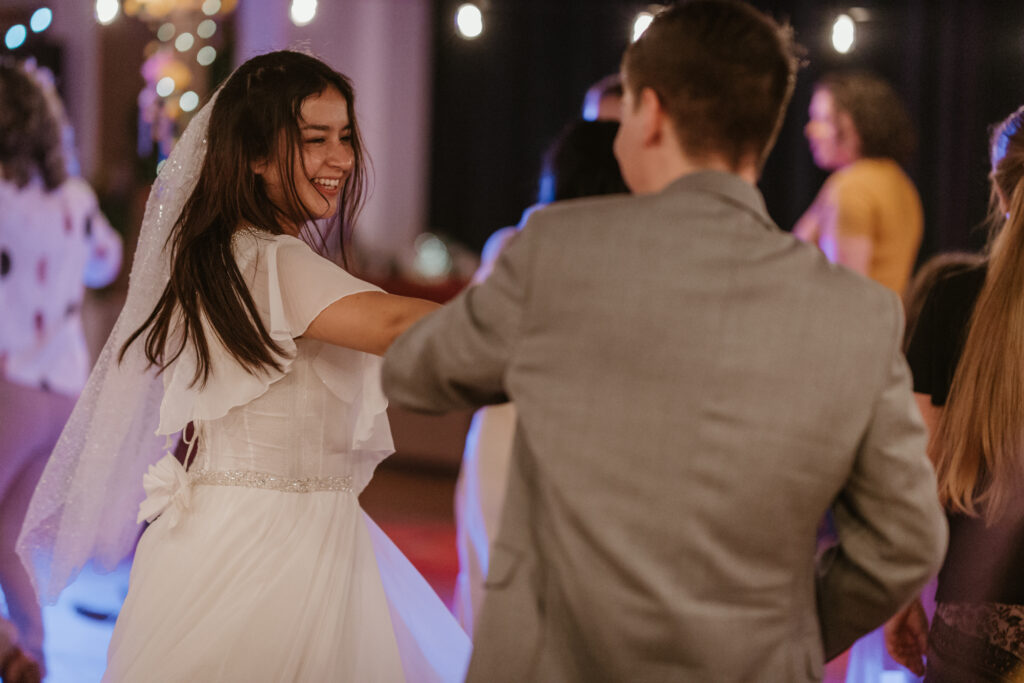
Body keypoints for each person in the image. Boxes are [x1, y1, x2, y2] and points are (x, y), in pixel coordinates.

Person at [382, 2, 947, 681]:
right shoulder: (861, 313)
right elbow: (905, 539)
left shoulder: (554, 249)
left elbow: (416, 373)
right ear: (766, 127)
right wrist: (790, 628)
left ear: (648, 111)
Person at [17, 50, 469, 681]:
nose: (341, 158)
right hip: (272, 549)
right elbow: (394, 324)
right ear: (256, 156)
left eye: (345, 137)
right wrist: (527, 313)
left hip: (226, 536)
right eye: (315, 140)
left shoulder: (224, 254)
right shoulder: (272, 260)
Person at [453, 118, 628, 633]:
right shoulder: (639, 255)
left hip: (508, 431)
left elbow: (467, 349)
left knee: (497, 592)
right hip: (595, 436)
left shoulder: (517, 243)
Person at [888, 105, 1024, 682]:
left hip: (977, 607)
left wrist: (900, 595)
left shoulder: (950, 297)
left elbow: (922, 469)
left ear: (998, 191)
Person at [0, 60, 122, 679]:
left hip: (9, 386)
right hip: (64, 394)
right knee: (10, 538)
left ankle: (6, 646)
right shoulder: (74, 199)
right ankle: (31, 655)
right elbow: (107, 262)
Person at [793, 70, 923, 294]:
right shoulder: (901, 183)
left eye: (822, 119)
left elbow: (845, 292)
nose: (810, 130)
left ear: (854, 124)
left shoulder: (852, 186)